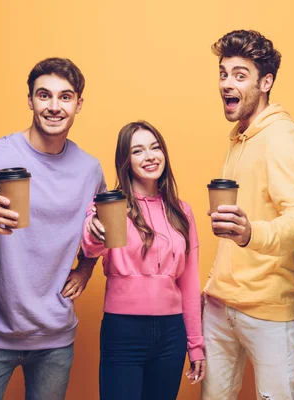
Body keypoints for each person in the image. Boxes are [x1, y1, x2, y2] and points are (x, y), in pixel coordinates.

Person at [0, 57, 105, 400]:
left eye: (65, 97)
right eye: (44, 95)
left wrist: (86, 267)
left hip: (55, 339)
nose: (54, 106)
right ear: (30, 100)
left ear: (78, 104)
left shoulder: (89, 169)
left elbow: (98, 232)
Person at [201, 30, 294, 400]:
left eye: (239, 74)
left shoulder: (281, 137)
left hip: (266, 309)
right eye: (223, 73)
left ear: (265, 82)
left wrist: (251, 233)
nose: (226, 83)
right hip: (220, 305)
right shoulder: (240, 137)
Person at [82, 121, 205, 400]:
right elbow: (90, 248)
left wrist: (195, 344)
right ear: (125, 161)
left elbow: (190, 281)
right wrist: (94, 227)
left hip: (172, 333)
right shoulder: (111, 204)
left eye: (155, 147)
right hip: (123, 330)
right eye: (138, 151)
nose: (150, 156)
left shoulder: (181, 211)